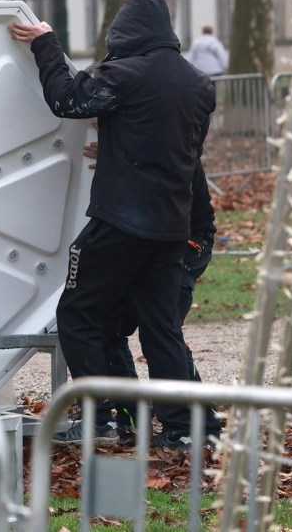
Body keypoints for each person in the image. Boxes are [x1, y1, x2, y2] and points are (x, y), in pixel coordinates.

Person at [8, 0, 215, 450]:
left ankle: (101, 417)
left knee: (79, 315)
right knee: (161, 328)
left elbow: (67, 99)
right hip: (171, 229)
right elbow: (177, 148)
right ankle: (182, 428)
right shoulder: (199, 83)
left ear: (123, 33)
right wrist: (116, 148)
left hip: (120, 221)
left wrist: (46, 44)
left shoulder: (127, 73)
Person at [85, 131, 223, 444]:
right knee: (109, 323)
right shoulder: (133, 132)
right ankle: (133, 414)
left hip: (186, 241)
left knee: (162, 327)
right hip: (147, 239)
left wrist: (118, 155)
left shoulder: (167, 129)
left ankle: (199, 426)